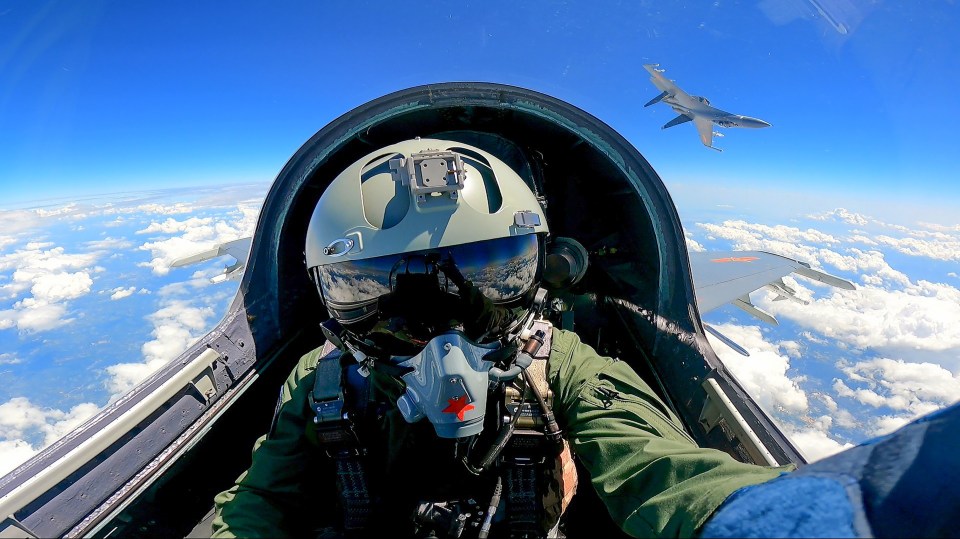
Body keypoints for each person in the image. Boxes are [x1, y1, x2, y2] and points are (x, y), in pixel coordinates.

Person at [211, 136, 959, 538]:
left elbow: (666, 473)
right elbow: (254, 508)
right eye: (386, 297)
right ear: (331, 303)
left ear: (540, 277)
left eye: (487, 281)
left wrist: (834, 515)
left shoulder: (557, 362)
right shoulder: (324, 381)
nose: (447, 339)